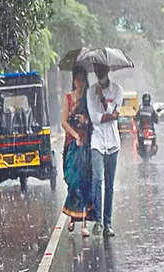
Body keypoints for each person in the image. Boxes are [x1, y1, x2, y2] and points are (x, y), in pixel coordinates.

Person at [86, 64, 123, 237]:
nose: (99, 74)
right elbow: (95, 119)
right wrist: (110, 115)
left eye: (102, 70)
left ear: (107, 71)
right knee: (98, 180)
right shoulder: (90, 91)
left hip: (113, 143)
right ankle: (98, 221)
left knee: (109, 185)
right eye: (97, 71)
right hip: (97, 142)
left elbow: (116, 114)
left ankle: (108, 223)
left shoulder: (117, 90)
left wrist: (103, 100)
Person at [61, 68, 92, 238]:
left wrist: (85, 121)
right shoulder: (67, 98)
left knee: (84, 182)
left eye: (83, 80)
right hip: (72, 144)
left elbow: (92, 119)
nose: (80, 83)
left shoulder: (88, 99)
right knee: (72, 181)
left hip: (86, 145)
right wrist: (75, 136)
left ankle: (84, 223)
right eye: (77, 80)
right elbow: (63, 122)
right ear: (74, 81)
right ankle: (73, 216)